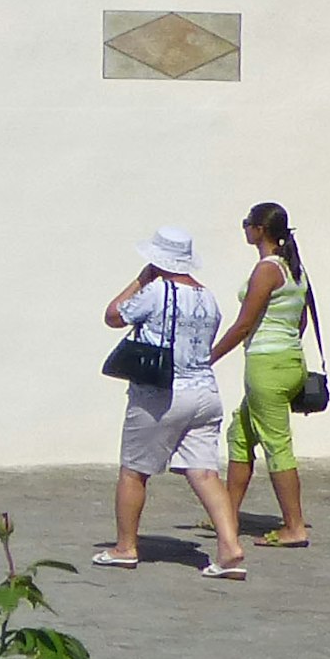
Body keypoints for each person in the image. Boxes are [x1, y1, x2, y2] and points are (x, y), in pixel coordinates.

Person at [99, 226, 249, 577]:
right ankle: (230, 547)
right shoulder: (207, 298)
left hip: (161, 393)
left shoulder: (155, 291)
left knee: (134, 471)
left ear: (157, 260)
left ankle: (125, 547)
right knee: (205, 472)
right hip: (205, 393)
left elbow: (113, 315)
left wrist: (139, 281)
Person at [218, 202, 316, 546]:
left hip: (266, 365)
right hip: (290, 360)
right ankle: (226, 514)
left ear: (260, 229)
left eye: (247, 223)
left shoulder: (267, 269)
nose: (244, 228)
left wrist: (208, 357)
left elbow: (245, 323)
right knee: (241, 434)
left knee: (277, 444)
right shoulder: (295, 269)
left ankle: (294, 526)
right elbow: (300, 320)